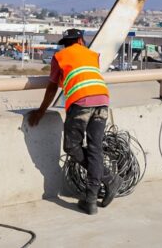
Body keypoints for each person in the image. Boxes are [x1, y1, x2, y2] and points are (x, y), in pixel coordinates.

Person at [28, 29, 122, 215]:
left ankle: (109, 179)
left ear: (66, 42)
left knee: (72, 147)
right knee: (95, 148)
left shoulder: (60, 56)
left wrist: (41, 111)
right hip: (102, 99)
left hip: (81, 102)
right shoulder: (92, 55)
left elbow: (52, 87)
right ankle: (91, 199)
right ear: (80, 40)